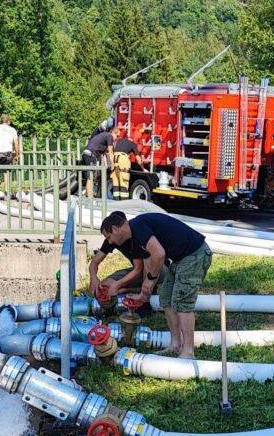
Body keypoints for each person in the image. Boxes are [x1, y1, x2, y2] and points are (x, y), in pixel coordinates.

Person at [99, 211, 212, 359]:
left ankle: (188, 351)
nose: (110, 242)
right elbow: (150, 262)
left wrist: (151, 279)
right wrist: (143, 294)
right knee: (165, 298)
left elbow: (159, 254)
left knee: (182, 304)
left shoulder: (138, 227)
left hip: (194, 255)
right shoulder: (135, 235)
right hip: (180, 260)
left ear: (115, 229)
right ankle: (175, 344)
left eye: (109, 237)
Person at [82, 125, 117, 198]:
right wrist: (113, 166)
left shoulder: (103, 137)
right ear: (114, 133)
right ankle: (90, 198)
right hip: (91, 155)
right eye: (117, 135)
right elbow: (110, 152)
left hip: (86, 153)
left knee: (90, 176)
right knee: (91, 176)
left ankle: (87, 194)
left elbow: (103, 155)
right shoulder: (109, 136)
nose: (116, 138)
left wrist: (105, 166)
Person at [0, 114, 21, 187]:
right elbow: (16, 143)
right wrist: (17, 155)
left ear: (1, 120)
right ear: (9, 121)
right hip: (8, 154)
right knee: (6, 172)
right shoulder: (13, 130)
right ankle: (6, 192)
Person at [111, 135, 139, 199]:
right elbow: (138, 158)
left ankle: (116, 200)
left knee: (116, 181)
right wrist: (143, 168)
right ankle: (124, 201)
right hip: (122, 159)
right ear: (130, 139)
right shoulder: (132, 143)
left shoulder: (119, 141)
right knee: (124, 180)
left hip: (114, 158)